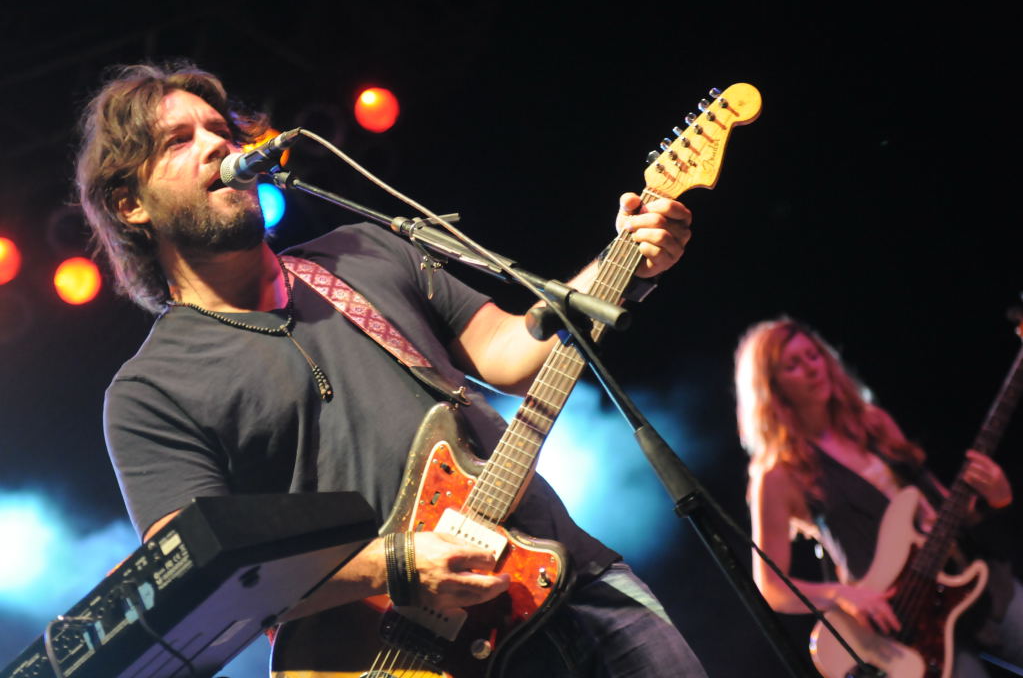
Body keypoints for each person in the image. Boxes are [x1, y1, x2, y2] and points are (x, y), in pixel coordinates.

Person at [74, 61, 707, 677]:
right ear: (130, 204)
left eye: (221, 131)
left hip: (571, 580)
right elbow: (204, 583)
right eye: (179, 141)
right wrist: (396, 565)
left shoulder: (361, 251)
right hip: (404, 656)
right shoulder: (150, 391)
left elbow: (511, 355)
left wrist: (625, 265)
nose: (217, 146)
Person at [734, 318, 1022, 677]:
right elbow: (771, 586)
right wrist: (841, 595)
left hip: (972, 581)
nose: (811, 369)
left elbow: (939, 507)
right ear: (771, 387)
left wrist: (996, 498)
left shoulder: (872, 422)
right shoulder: (778, 475)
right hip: (905, 621)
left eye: (813, 356)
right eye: (792, 364)